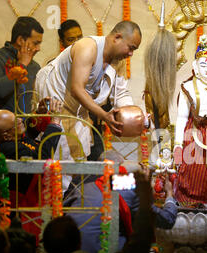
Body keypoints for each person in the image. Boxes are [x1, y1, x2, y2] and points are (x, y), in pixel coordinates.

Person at [34, 21, 140, 191]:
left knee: (79, 152)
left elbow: (120, 94)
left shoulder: (117, 59)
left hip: (78, 109)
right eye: (131, 47)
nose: (131, 53)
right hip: (57, 99)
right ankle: (54, 206)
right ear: (117, 37)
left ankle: (70, 204)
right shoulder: (88, 47)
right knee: (59, 155)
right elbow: (77, 89)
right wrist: (105, 116)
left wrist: (133, 117)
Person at [63, 151, 177, 253]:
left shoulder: (79, 182)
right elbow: (167, 219)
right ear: (118, 169)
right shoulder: (123, 186)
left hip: (69, 252)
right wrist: (169, 193)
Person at [0, 99, 63, 239]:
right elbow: (42, 156)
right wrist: (55, 122)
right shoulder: (6, 148)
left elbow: (27, 134)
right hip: (23, 206)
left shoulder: (7, 138)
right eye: (16, 123)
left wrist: (39, 114)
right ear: (7, 136)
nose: (21, 120)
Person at [174, 35, 207, 208]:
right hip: (193, 132)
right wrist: (177, 145)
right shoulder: (187, 87)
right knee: (190, 170)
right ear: (195, 66)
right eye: (203, 64)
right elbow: (182, 117)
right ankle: (188, 202)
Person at [0, 17, 44, 151]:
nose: (38, 48)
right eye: (35, 43)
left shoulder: (34, 66)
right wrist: (22, 65)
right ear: (21, 40)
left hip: (24, 139)